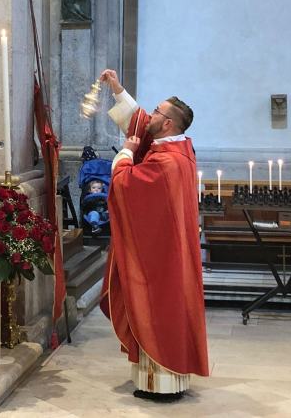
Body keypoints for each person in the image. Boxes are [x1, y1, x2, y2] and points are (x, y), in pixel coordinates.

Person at [97, 69, 208, 402]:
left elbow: (124, 185)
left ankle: (161, 382)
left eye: (158, 112)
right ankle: (160, 379)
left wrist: (126, 154)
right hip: (168, 250)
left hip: (162, 259)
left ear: (169, 124)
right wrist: (118, 90)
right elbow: (140, 124)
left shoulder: (167, 162)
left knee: (158, 310)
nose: (151, 114)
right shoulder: (176, 148)